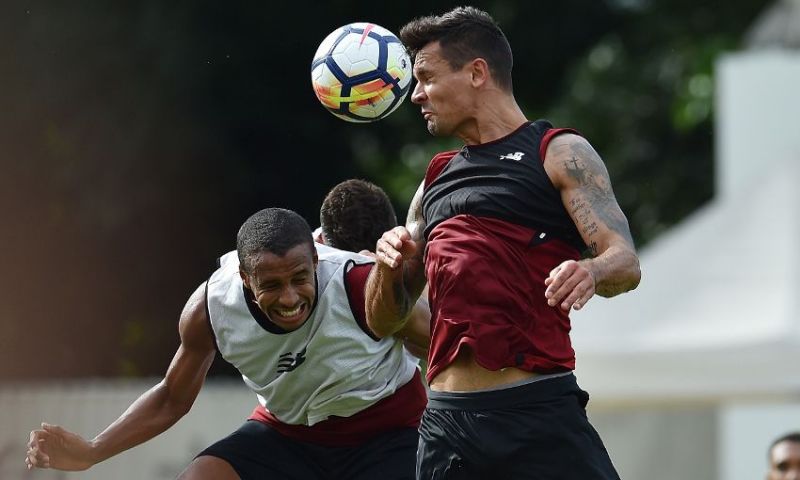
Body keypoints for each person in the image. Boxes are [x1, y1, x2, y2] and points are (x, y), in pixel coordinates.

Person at [364, 6, 641, 480]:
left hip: (536, 416)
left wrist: (591, 271)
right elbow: (383, 319)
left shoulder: (557, 152)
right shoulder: (433, 182)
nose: (415, 95)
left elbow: (625, 262)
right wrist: (387, 267)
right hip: (447, 424)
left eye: (426, 77)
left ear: (476, 72)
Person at [26, 207, 428, 480]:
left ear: (317, 262)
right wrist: (93, 451)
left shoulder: (360, 282)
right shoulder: (211, 309)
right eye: (271, 285)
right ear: (244, 278)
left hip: (388, 432)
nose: (289, 298)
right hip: (290, 435)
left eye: (299, 279)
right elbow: (171, 398)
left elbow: (444, 348)